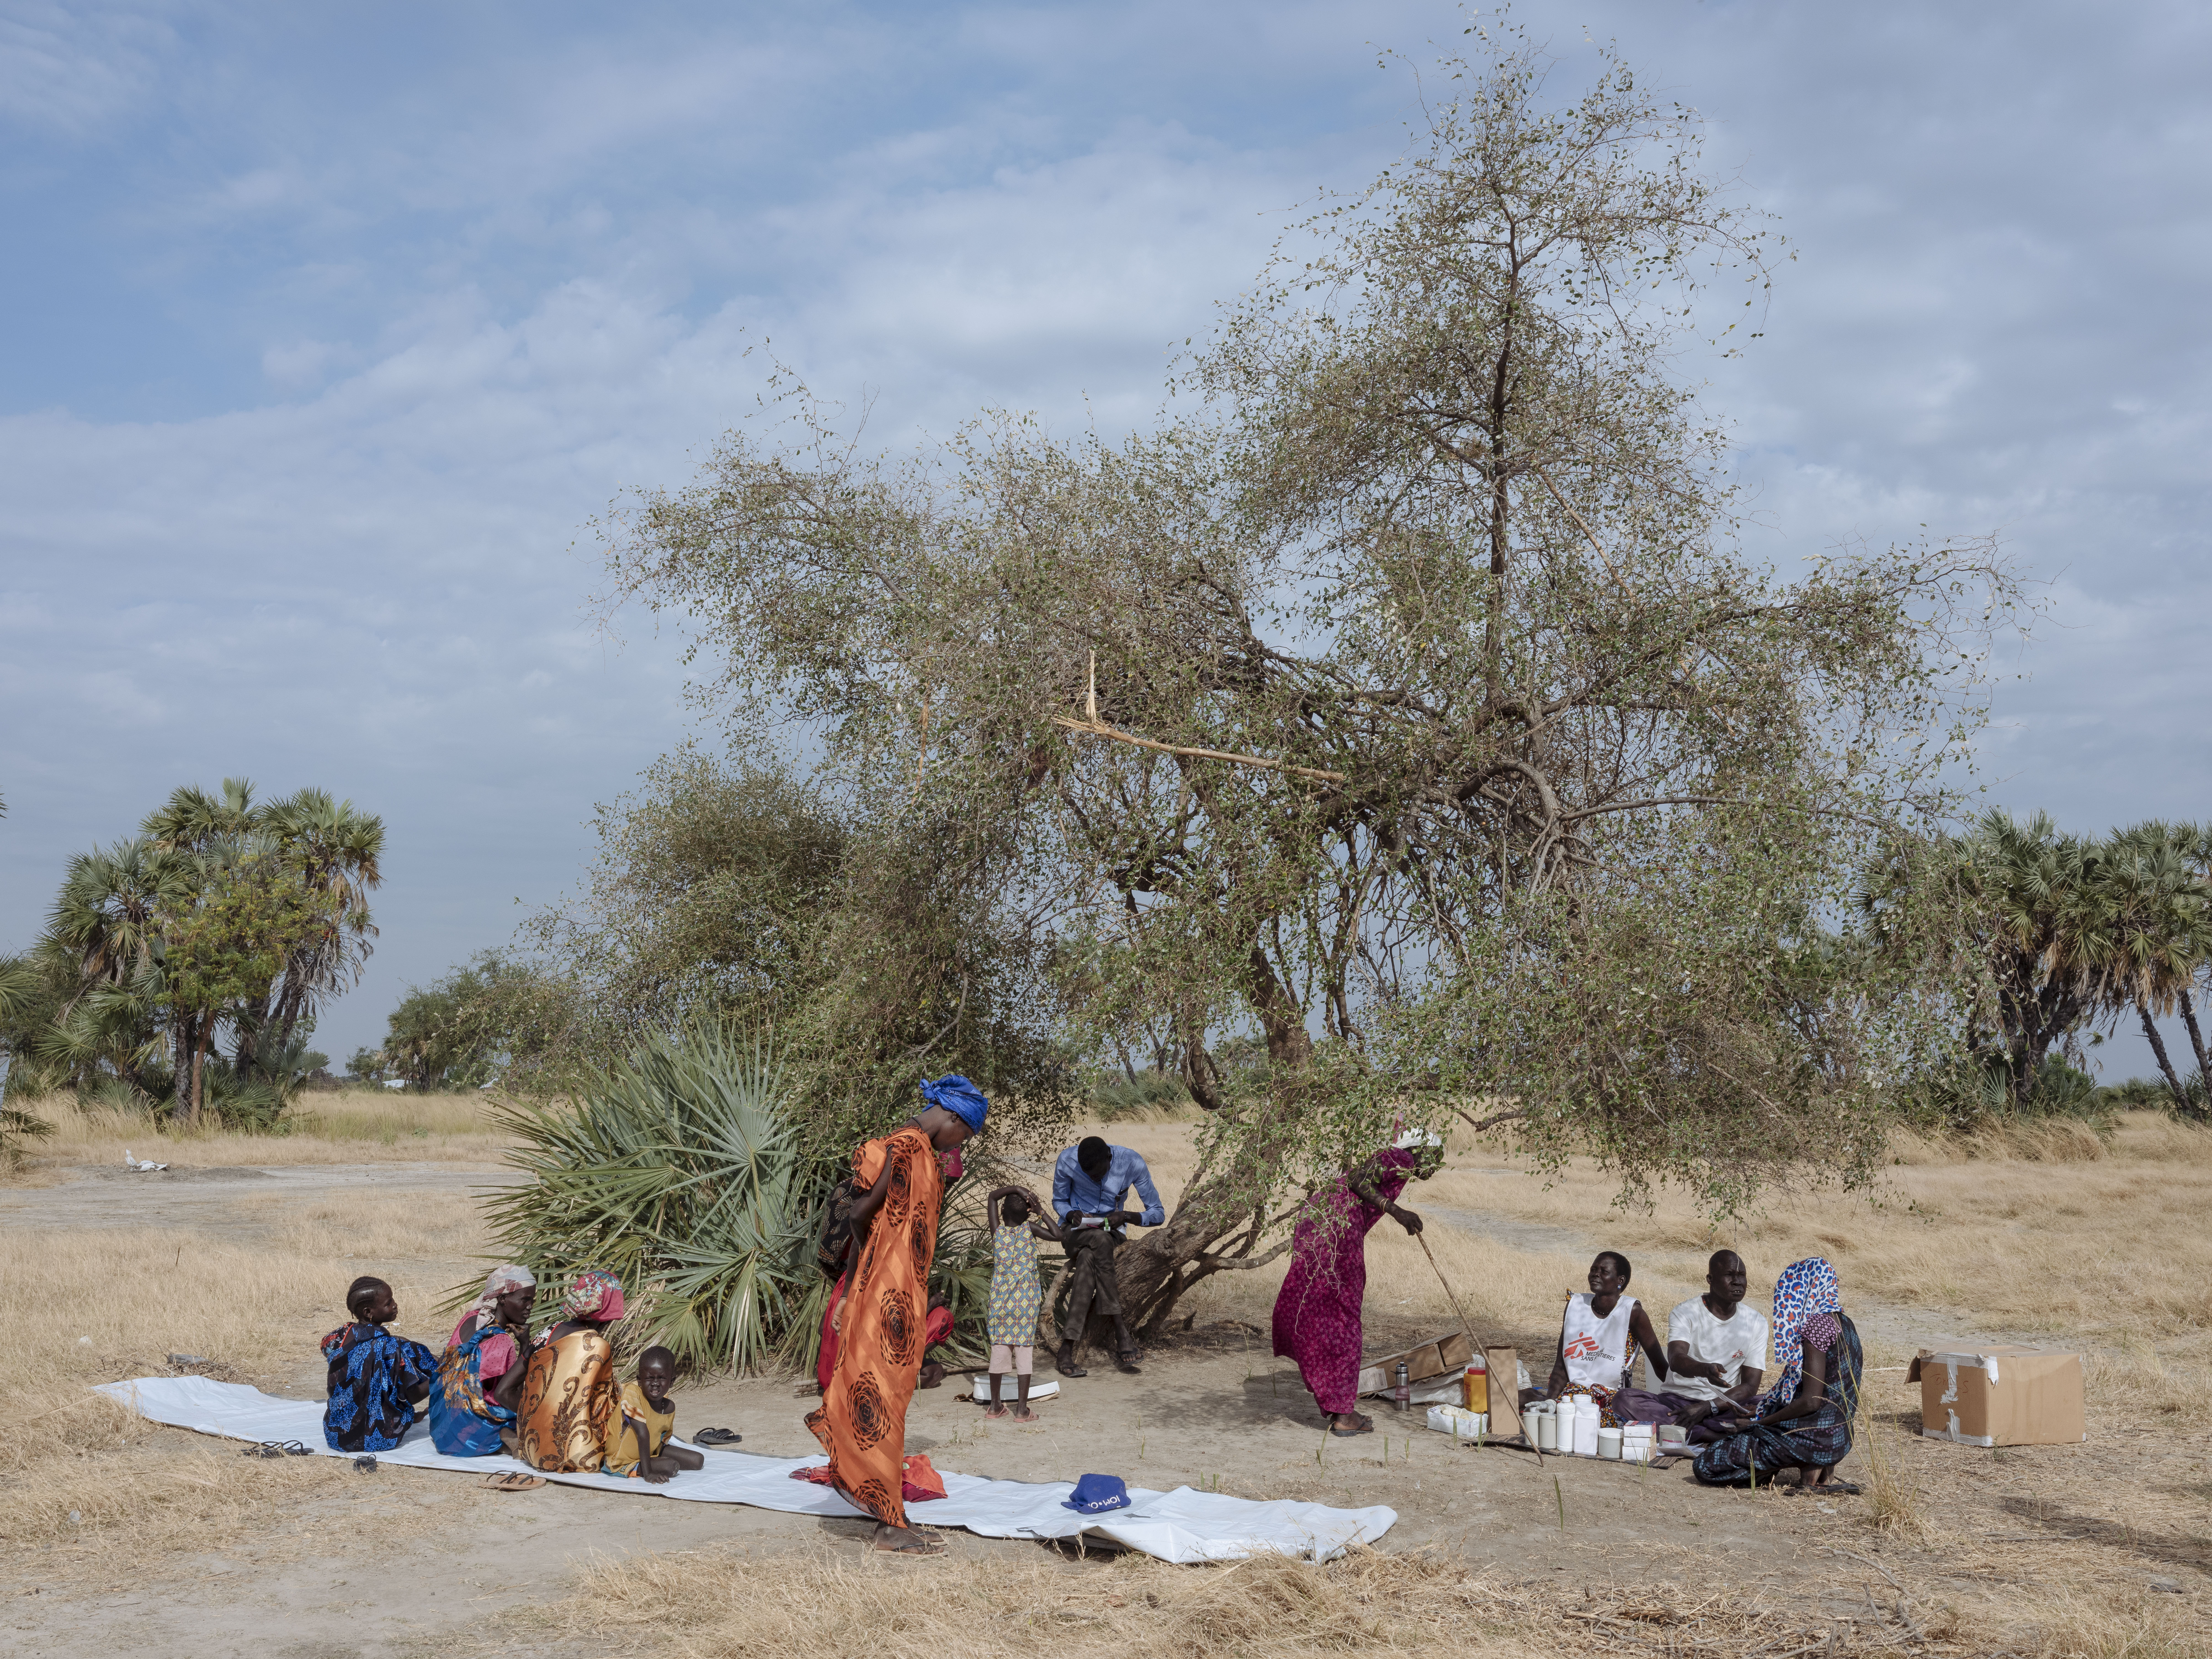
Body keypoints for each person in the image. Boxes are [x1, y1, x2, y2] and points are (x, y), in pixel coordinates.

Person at [807, 1073, 985, 1556]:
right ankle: (889, 1523)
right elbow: (862, 1213)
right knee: (882, 1398)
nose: (959, 1145)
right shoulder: (905, 1147)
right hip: (886, 1294)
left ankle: (889, 1514)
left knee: (889, 1396)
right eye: (964, 1135)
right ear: (952, 1118)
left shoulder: (918, 1150)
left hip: (896, 1294)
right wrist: (869, 1274)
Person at [1272, 1133, 1445, 1437]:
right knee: (1343, 1316)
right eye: (1438, 1155)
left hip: (1324, 1220)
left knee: (1321, 1308)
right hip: (1338, 1227)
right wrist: (1397, 1212)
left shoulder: (1395, 1159)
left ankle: (1336, 1403)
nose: (1439, 1165)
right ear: (1421, 1149)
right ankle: (1343, 1414)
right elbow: (1358, 1180)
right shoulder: (1402, 1158)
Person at [1693, 1257, 1864, 1492]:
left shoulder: (1817, 1325)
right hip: (1839, 1438)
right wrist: (1765, 1409)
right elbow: (1824, 1392)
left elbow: (1811, 1402)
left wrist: (1759, 1423)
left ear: (1803, 1289)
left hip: (1812, 1438)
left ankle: (1807, 1471)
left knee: (1706, 1464)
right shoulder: (1846, 1324)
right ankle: (1815, 1473)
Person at [1617, 1249, 1769, 1436]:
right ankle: (1713, 1435)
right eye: (1729, 1275)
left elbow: (1750, 1386)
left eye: (1742, 1276)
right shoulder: (1686, 1312)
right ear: (1710, 1279)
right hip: (1678, 1402)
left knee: (1773, 1404)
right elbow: (1676, 1359)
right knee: (1625, 1399)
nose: (1738, 1282)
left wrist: (1708, 1407)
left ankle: (1688, 1432)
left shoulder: (1756, 1322)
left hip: (1723, 1405)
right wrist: (1705, 1370)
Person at [1051, 1134, 1165, 1376]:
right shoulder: (1067, 1160)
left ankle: (1066, 1348)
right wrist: (1071, 1214)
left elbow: (1157, 1213)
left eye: (1099, 1175)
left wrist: (1125, 1217)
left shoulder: (1131, 1162)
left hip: (1110, 1234)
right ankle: (1120, 1328)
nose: (1094, 1179)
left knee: (1089, 1258)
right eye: (1088, 1175)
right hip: (1074, 1233)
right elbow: (1059, 1200)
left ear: (1110, 1159)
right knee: (1098, 1241)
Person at [1525, 1251, 1669, 1427]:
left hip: (1612, 1399)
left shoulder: (1632, 1312)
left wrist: (1679, 1398)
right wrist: (1550, 1401)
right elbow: (1562, 1363)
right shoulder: (1576, 1305)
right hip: (1572, 1395)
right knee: (1527, 1404)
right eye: (1593, 1270)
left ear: (1620, 1281)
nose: (1596, 1274)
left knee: (1598, 1420)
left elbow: (1660, 1365)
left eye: (1604, 1271)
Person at [513, 1270, 625, 1474]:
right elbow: (603, 1402)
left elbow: (504, 1391)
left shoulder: (548, 1332)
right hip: (572, 1453)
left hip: (530, 1447)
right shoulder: (597, 1346)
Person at [429, 1264, 538, 1456]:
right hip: (467, 1430)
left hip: (443, 1422)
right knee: (531, 1407)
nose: (530, 1306)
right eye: (525, 1300)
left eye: (532, 1300)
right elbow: (507, 1394)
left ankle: (504, 1439)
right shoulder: (502, 1342)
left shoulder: (469, 1319)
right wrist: (525, 1347)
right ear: (503, 1299)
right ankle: (503, 1437)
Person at [320, 1275, 438, 1453]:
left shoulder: (339, 1337)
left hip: (336, 1437)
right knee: (427, 1362)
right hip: (379, 1440)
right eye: (389, 1303)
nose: (395, 1305)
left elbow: (332, 1349)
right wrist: (443, 1375)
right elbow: (413, 1397)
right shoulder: (392, 1348)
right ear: (369, 1312)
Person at [983, 1185, 1062, 1421]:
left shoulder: (998, 1232)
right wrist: (1041, 1212)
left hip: (1000, 1303)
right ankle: (1022, 1410)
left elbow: (992, 1196)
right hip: (1026, 1305)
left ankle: (996, 1407)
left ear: (1003, 1211)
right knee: (1024, 1353)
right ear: (1028, 1212)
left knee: (999, 1349)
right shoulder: (1031, 1229)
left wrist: (1016, 1188)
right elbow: (1060, 1236)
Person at [603, 1346, 706, 1484]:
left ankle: (649, 1462)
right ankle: (636, 1469)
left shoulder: (670, 1407)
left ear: (672, 1381)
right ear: (640, 1380)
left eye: (662, 1378)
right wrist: (649, 1474)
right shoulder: (633, 1394)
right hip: (621, 1459)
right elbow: (643, 1433)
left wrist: (659, 1457)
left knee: (698, 1461)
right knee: (671, 1467)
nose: (656, 1384)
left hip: (650, 1451)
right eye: (650, 1378)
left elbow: (662, 1440)